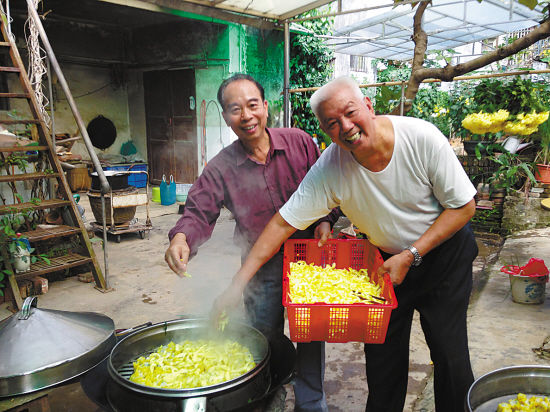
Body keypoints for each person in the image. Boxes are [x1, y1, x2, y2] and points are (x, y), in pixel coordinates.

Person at [213, 76, 478, 412]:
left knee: (449, 353)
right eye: (332, 123)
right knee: (382, 360)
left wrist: (412, 254)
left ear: (368, 105)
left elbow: (464, 206)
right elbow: (281, 224)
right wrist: (237, 285)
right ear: (325, 131)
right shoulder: (330, 169)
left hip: (444, 257)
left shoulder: (420, 138)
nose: (346, 127)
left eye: (351, 113)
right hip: (384, 263)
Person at [165, 74, 338, 412]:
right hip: (260, 269)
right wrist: (182, 238)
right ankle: (267, 396)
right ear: (226, 117)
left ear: (266, 107)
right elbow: (198, 210)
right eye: (234, 109)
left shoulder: (301, 142)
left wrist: (324, 221)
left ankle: (312, 402)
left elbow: (328, 187)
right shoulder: (221, 168)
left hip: (309, 263)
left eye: (252, 105)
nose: (246, 115)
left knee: (310, 335)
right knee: (262, 337)